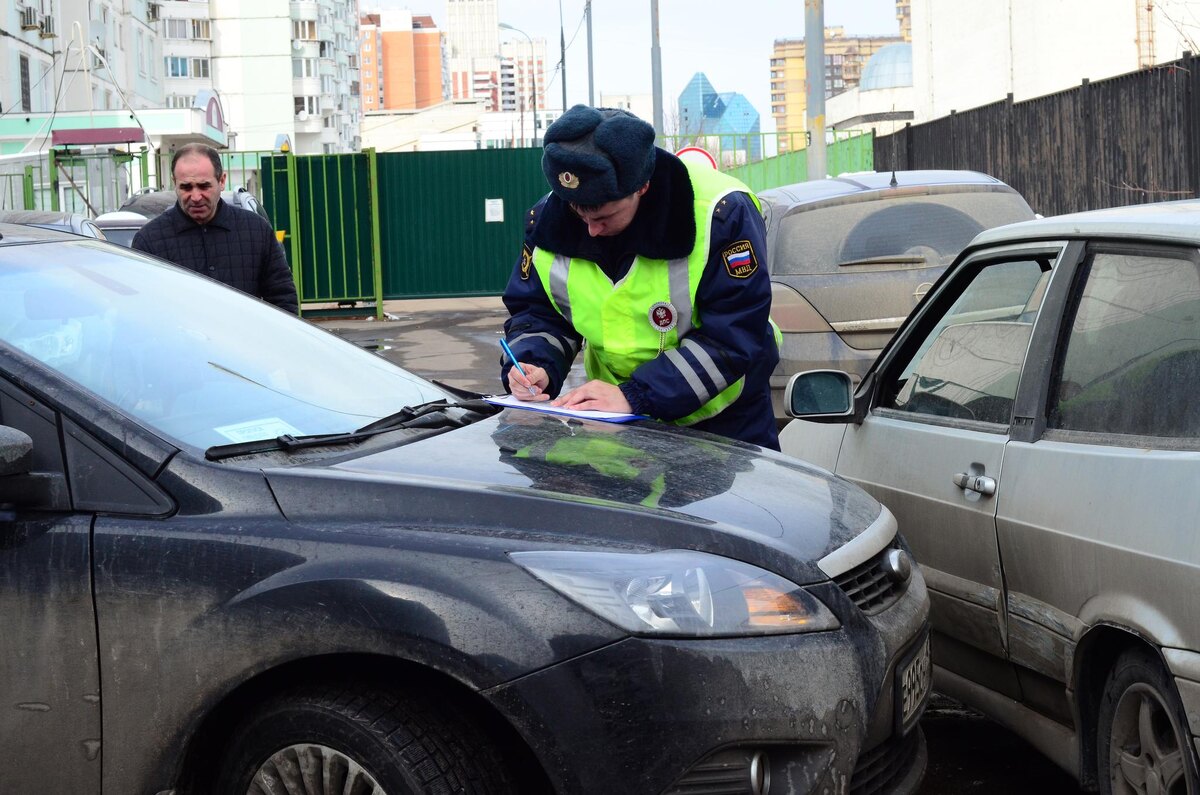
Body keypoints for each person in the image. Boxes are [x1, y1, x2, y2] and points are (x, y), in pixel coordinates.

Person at [500, 105, 781, 449]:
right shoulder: (547, 219)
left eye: (604, 215)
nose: (590, 230)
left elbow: (733, 335)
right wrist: (535, 363)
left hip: (726, 421)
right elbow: (539, 313)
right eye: (578, 211)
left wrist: (635, 395)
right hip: (615, 421)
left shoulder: (721, 213)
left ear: (642, 187)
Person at [132, 143, 298, 313]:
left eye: (204, 186)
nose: (196, 197)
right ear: (175, 183)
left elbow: (283, 300)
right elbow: (140, 309)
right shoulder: (149, 241)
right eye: (186, 187)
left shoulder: (256, 231)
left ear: (222, 181)